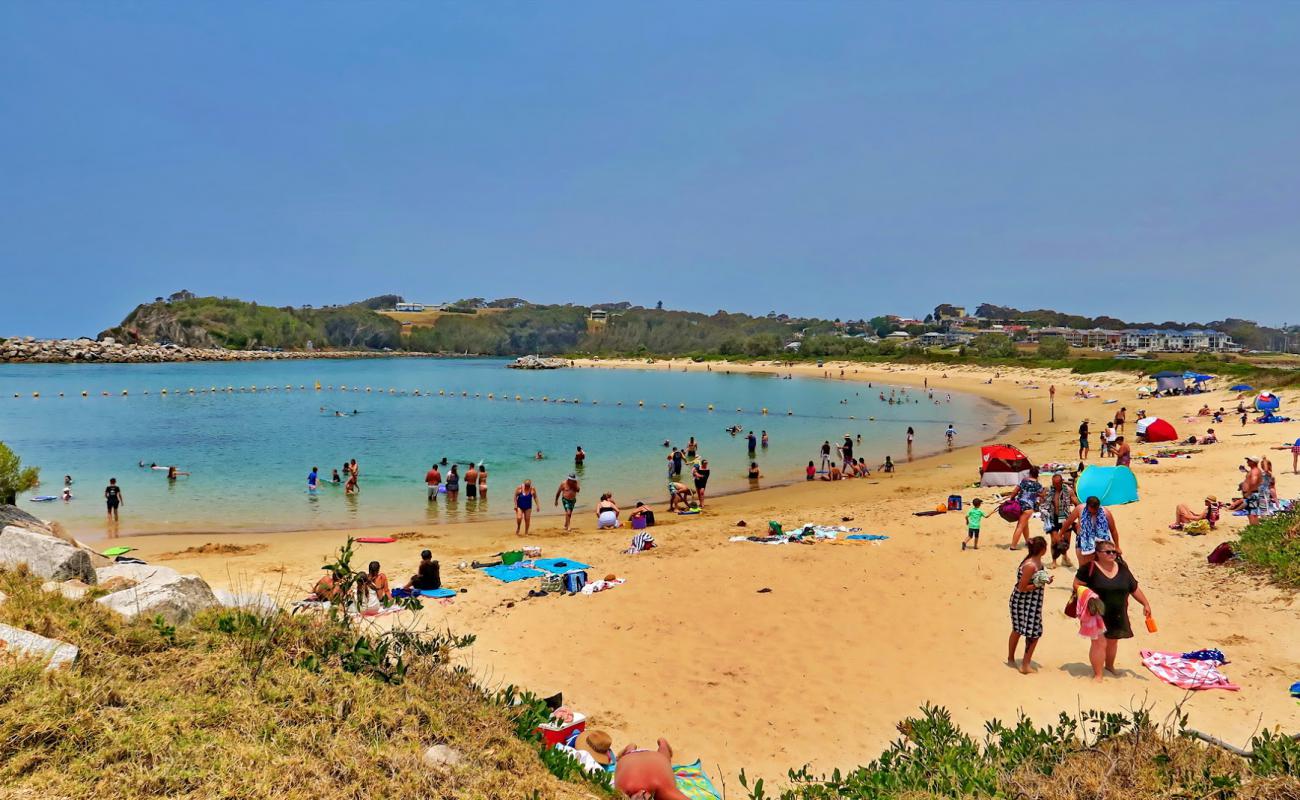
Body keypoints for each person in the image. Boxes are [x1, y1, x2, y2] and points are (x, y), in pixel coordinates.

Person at [1073, 544, 1152, 681]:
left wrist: (1145, 603)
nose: (1112, 554)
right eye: (1108, 552)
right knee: (1099, 643)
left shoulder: (1122, 569)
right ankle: (1098, 674)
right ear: (1098, 553)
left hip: (1118, 611)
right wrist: (1088, 594)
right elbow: (1077, 584)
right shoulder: (1089, 568)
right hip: (1096, 612)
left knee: (1113, 641)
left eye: (1114, 552)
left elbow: (1134, 588)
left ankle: (1109, 666)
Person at [1009, 537, 1051, 674]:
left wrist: (1045, 580)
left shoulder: (1036, 562)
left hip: (1031, 602)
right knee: (1032, 632)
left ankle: (1012, 659)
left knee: (1022, 630)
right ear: (1043, 550)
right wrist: (1038, 584)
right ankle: (1024, 664)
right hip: (1024, 602)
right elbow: (1022, 587)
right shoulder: (1030, 565)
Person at [614, 738, 689, 800]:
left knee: (664, 758)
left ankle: (663, 744)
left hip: (653, 758)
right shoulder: (622, 792)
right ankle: (631, 747)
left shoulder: (662, 789)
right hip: (629, 757)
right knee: (664, 758)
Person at [1065, 495, 1120, 567]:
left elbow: (1113, 530)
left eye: (1096, 511)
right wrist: (1060, 534)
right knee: (1083, 568)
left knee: (1101, 567)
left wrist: (1117, 546)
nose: (1094, 513)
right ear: (1087, 506)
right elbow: (1068, 522)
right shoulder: (1079, 509)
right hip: (1083, 541)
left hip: (1101, 543)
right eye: (1091, 511)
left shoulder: (1106, 513)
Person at [1042, 474, 1076, 568]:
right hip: (1053, 517)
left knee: (1066, 542)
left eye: (1057, 483)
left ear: (1062, 482)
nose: (1055, 485)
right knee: (1054, 541)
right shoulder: (1048, 490)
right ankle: (1054, 561)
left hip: (1065, 517)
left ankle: (1065, 558)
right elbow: (1042, 502)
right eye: (1054, 483)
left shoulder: (1068, 490)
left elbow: (1076, 503)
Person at [1009, 466, 1044, 550]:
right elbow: (1042, 496)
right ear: (1037, 474)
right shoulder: (1038, 485)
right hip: (1028, 507)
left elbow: (1015, 491)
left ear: (1030, 473)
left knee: (1024, 524)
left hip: (1019, 505)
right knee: (1020, 526)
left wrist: (1012, 499)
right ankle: (1013, 546)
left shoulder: (1023, 481)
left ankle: (1027, 541)